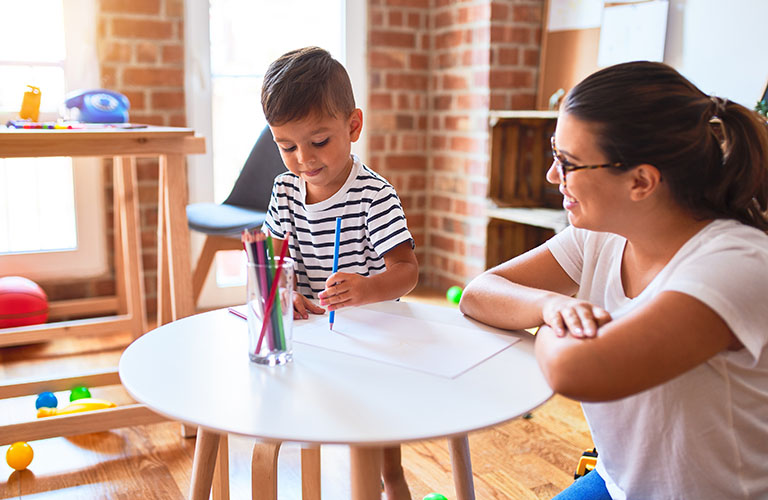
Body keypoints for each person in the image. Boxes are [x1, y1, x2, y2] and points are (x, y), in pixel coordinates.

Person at [459, 61, 768, 499]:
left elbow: (575, 370)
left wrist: (549, 323)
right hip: (616, 481)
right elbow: (479, 293)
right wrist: (553, 306)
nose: (552, 176)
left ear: (641, 181)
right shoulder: (596, 235)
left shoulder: (734, 264)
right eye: (554, 154)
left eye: (567, 163)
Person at [261, 46, 418, 500]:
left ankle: (393, 479)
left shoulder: (374, 195)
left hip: (370, 329)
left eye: (319, 141)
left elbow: (406, 271)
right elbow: (272, 257)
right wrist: (283, 289)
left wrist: (366, 288)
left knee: (375, 420)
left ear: (352, 126)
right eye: (286, 146)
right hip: (314, 326)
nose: (303, 159)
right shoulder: (286, 189)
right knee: (314, 409)